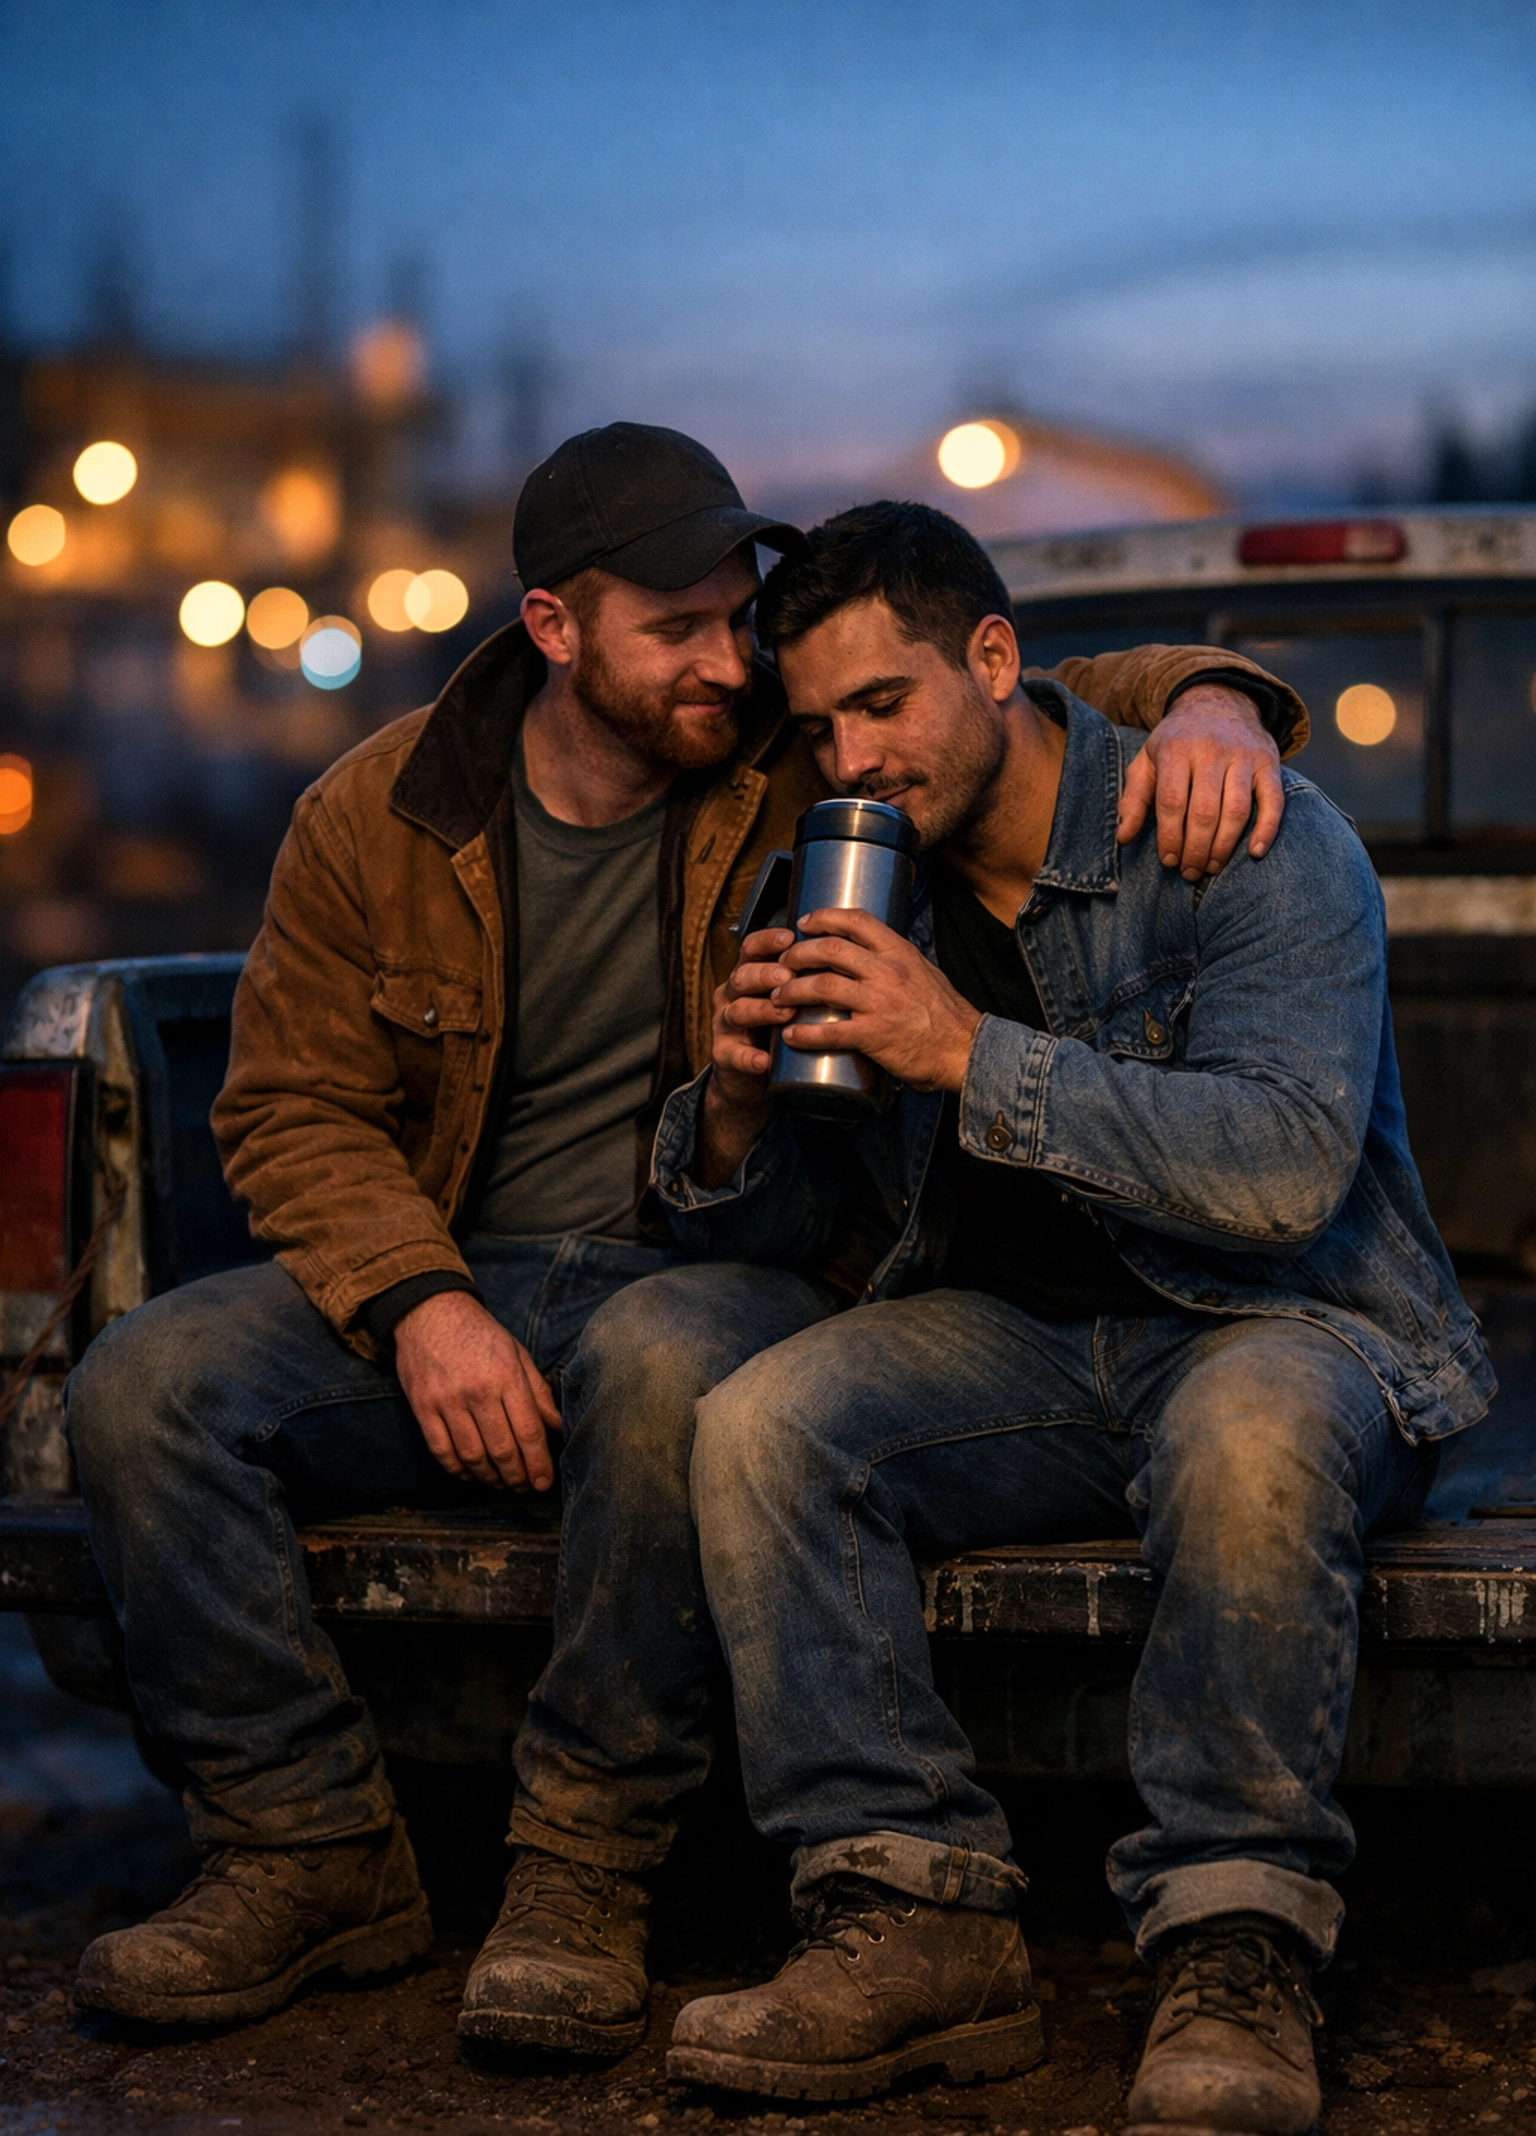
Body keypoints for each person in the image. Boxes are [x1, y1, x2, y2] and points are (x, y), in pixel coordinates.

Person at [63, 423, 1302, 2035]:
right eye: (682, 629)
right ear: (555, 630)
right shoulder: (374, 817)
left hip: (718, 1266)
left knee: (663, 1363)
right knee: (140, 1389)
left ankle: (584, 1859)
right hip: (452, 1271)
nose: (732, 661)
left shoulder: (790, 757)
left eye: (740, 616)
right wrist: (422, 1304)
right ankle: (301, 1849)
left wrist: (1219, 699)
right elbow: (289, 1112)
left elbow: (1014, 693)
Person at [524, 500, 1491, 2136]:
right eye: (817, 725)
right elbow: (780, 1228)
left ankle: (1230, 1949)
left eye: (883, 705)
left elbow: (1280, 1175)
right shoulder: (834, 874)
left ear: (993, 659)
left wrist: (964, 1049)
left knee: (1248, 1434)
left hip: (1288, 1325)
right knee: (763, 1421)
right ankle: (909, 1914)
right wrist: (743, 1116)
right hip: (1013, 1346)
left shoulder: (1245, 832)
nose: (850, 757)